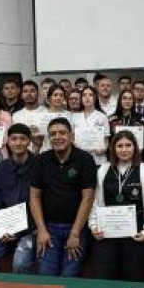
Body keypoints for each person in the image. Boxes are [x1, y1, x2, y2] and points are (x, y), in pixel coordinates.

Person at [89, 131, 144, 281]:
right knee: (105, 279)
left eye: (128, 145)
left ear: (135, 147)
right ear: (113, 148)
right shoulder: (103, 170)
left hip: (137, 236)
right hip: (107, 235)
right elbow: (95, 202)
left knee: (134, 280)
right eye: (120, 146)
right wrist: (93, 226)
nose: (124, 150)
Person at [30, 118, 95, 277]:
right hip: (49, 228)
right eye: (53, 134)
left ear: (71, 136)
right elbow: (34, 197)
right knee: (45, 276)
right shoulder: (41, 160)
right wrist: (41, 230)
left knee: (69, 276)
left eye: (62, 133)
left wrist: (75, 233)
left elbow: (88, 198)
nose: (57, 137)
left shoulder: (85, 159)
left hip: (76, 228)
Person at [0, 124, 37, 273]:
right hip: (4, 224)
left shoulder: (39, 165)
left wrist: (22, 230)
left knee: (20, 263)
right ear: (8, 141)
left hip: (31, 226)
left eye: (23, 139)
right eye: (14, 139)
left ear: (29, 141)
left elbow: (42, 202)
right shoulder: (1, 167)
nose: (18, 143)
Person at [109, 89, 144, 164]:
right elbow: (109, 141)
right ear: (120, 101)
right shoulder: (112, 120)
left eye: (130, 99)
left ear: (133, 101)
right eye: (124, 98)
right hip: (117, 159)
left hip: (138, 159)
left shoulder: (141, 120)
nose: (127, 101)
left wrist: (142, 151)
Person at [72, 86, 110, 166]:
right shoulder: (74, 117)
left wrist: (103, 149)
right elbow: (71, 138)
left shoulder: (102, 117)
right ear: (81, 99)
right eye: (84, 95)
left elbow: (106, 141)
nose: (87, 97)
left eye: (90, 95)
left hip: (98, 160)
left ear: (95, 98)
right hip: (79, 159)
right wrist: (75, 146)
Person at [12, 80, 47, 153]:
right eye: (25, 91)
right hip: (22, 155)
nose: (29, 94)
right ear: (21, 95)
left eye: (32, 91)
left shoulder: (47, 113)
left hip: (44, 154)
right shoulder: (16, 116)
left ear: (38, 93)